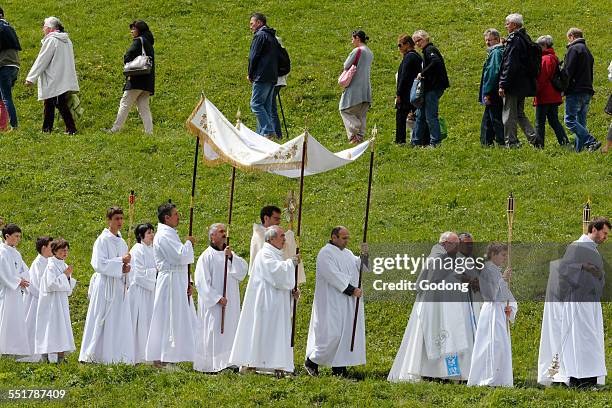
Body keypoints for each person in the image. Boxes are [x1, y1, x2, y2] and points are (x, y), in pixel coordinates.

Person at [388, 232, 472, 382]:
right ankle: (428, 372)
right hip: (432, 306)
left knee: (449, 339)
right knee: (431, 339)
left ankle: (449, 373)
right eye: (454, 244)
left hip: (449, 307)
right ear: (444, 243)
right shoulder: (437, 255)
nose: (457, 247)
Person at [538, 217, 609, 388]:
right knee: (582, 339)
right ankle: (580, 379)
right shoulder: (577, 246)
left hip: (590, 301)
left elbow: (599, 274)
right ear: (594, 230)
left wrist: (599, 275)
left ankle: (589, 378)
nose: (606, 237)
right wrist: (584, 266)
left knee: (590, 338)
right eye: (604, 233)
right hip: (578, 301)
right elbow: (563, 269)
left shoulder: (593, 249)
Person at [230, 225, 300, 378]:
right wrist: (291, 263)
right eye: (281, 236)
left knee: (276, 332)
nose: (284, 239)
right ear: (271, 238)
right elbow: (276, 274)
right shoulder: (265, 254)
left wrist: (292, 293)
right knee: (265, 332)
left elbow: (282, 280)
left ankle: (276, 364)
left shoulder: (276, 255)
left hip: (276, 302)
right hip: (267, 302)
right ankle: (258, 362)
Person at [304, 226, 367, 377]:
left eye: (347, 238)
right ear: (334, 237)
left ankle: (339, 368)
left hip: (346, 302)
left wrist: (364, 255)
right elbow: (332, 274)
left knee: (346, 333)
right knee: (333, 334)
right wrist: (351, 289)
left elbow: (359, 267)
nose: (347, 241)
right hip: (331, 300)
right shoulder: (325, 253)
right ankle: (312, 361)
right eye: (344, 238)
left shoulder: (348, 253)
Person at [79, 206, 134, 364]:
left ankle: (113, 355)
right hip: (104, 286)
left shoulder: (123, 242)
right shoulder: (102, 240)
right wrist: (119, 262)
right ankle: (92, 354)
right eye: (116, 219)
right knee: (100, 318)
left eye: (121, 218)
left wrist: (125, 270)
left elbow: (124, 265)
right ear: (109, 220)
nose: (120, 222)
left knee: (116, 319)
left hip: (117, 285)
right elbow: (98, 264)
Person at [146, 203, 197, 368]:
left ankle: (174, 354)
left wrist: (188, 281)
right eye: (175, 214)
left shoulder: (170, 234)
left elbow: (181, 264)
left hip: (177, 279)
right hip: (170, 281)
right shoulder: (163, 236)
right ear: (166, 217)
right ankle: (164, 357)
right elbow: (180, 257)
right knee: (169, 317)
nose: (178, 216)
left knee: (177, 317)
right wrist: (188, 243)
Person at [194, 223, 248, 373]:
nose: (224, 234)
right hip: (215, 305)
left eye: (224, 231)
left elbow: (242, 271)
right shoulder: (206, 257)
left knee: (230, 330)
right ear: (212, 237)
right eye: (220, 232)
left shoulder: (229, 254)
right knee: (214, 331)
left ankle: (229, 362)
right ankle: (212, 364)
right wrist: (217, 298)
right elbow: (201, 282)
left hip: (230, 302)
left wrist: (231, 257)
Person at [467, 243, 517, 387]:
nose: (505, 258)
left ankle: (499, 377)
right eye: (502, 255)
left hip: (499, 311)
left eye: (506, 255)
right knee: (491, 344)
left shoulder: (495, 269)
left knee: (500, 345)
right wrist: (503, 279)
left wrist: (510, 307)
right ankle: (487, 378)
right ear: (493, 255)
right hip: (491, 313)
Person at [25, 16, 79, 135]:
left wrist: (30, 78)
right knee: (49, 102)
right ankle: (46, 129)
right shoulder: (66, 40)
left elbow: (42, 60)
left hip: (54, 78)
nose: (43, 30)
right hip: (62, 76)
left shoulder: (51, 40)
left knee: (59, 103)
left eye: (44, 27)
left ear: (49, 28)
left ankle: (71, 129)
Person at [107, 20, 155, 135]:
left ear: (139, 30)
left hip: (136, 79)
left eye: (133, 29)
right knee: (143, 106)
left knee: (125, 102)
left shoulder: (138, 41)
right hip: (147, 80)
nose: (131, 31)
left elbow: (128, 55)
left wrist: (126, 60)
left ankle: (115, 129)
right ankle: (149, 132)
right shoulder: (148, 42)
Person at [35, 238, 77, 364]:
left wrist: (68, 278)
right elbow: (51, 284)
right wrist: (65, 276)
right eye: (62, 250)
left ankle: (61, 358)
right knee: (49, 328)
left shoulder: (63, 265)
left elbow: (68, 286)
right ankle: (45, 357)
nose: (65, 253)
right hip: (51, 303)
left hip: (61, 302)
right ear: (55, 251)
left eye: (66, 250)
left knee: (61, 328)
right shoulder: (51, 265)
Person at [498, 13, 537, 147]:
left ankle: (512, 142)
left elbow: (510, 64)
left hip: (513, 84)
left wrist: (502, 84)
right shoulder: (525, 37)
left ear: (514, 25)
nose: (506, 25)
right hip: (523, 84)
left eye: (507, 23)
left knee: (509, 115)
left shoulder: (514, 39)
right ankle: (534, 138)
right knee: (520, 113)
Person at [562, 28, 600, 152]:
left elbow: (569, 71)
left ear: (572, 36)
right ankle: (580, 150)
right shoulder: (587, 51)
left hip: (575, 90)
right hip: (587, 89)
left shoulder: (574, 49)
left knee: (569, 120)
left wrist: (563, 87)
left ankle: (591, 140)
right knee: (581, 122)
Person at [412, 30, 449, 147]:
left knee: (430, 116)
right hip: (429, 88)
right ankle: (416, 141)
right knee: (420, 115)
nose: (418, 43)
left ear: (426, 38)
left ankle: (435, 142)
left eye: (419, 40)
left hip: (433, 88)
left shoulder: (430, 50)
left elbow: (435, 62)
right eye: (416, 42)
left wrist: (422, 73)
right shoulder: (426, 51)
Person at [249, 205, 304, 283]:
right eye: (276, 219)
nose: (279, 222)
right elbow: (273, 267)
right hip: (265, 280)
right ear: (266, 218)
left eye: (279, 219)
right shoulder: (259, 235)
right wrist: (289, 236)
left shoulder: (273, 233)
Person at [533, 35, 569, 148]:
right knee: (554, 121)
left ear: (544, 45)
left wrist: (535, 90)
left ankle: (539, 146)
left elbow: (542, 78)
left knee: (540, 122)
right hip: (554, 95)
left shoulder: (545, 59)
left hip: (545, 95)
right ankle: (565, 143)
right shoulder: (553, 57)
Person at [127, 223, 157, 364]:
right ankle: (138, 355)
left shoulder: (153, 249)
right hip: (139, 291)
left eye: (152, 232)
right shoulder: (137, 250)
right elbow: (137, 274)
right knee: (140, 323)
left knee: (151, 321)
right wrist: (155, 272)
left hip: (152, 291)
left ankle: (151, 354)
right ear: (141, 236)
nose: (152, 235)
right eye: (149, 232)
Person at [0, 223, 30, 357]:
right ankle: (4, 347)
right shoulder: (2, 252)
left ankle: (14, 348)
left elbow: (24, 269)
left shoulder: (16, 253)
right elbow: (3, 273)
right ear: (7, 236)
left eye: (20, 236)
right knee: (5, 317)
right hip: (6, 291)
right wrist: (18, 281)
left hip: (16, 291)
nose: (18, 239)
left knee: (16, 318)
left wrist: (24, 280)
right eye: (16, 236)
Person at [21, 236, 53, 362]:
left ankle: (47, 353)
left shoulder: (50, 262)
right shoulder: (37, 263)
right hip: (37, 302)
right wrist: (44, 296)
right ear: (44, 248)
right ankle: (32, 354)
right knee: (34, 326)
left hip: (47, 300)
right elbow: (33, 285)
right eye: (51, 246)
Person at [248, 12, 279, 138]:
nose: (250, 26)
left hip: (261, 75)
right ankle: (261, 136)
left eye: (252, 23)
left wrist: (250, 74)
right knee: (266, 106)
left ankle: (267, 130)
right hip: (272, 76)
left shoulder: (260, 36)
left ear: (259, 23)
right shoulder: (271, 37)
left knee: (255, 104)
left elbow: (253, 56)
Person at [339, 30, 373, 144]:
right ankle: (360, 136)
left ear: (357, 38)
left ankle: (354, 130)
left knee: (344, 109)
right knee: (361, 113)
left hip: (355, 87)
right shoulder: (369, 52)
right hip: (366, 88)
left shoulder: (357, 50)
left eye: (353, 38)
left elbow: (346, 65)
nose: (352, 41)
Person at [479, 29, 505, 147]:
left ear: (497, 39)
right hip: (493, 90)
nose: (487, 42)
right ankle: (486, 142)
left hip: (492, 91)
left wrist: (487, 91)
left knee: (495, 117)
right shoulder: (496, 52)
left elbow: (493, 73)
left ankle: (501, 141)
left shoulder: (495, 53)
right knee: (488, 118)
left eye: (489, 40)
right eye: (486, 40)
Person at [395, 34, 422, 145]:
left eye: (400, 45)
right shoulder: (417, 56)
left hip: (406, 93)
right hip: (414, 93)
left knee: (401, 116)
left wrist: (399, 94)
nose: (399, 48)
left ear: (407, 44)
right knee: (415, 117)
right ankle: (417, 139)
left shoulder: (409, 57)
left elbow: (404, 77)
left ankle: (400, 141)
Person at [0, 7, 21, 130]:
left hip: (4, 66)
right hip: (14, 66)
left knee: (6, 97)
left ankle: (14, 126)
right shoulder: (9, 27)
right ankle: (2, 126)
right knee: (2, 97)